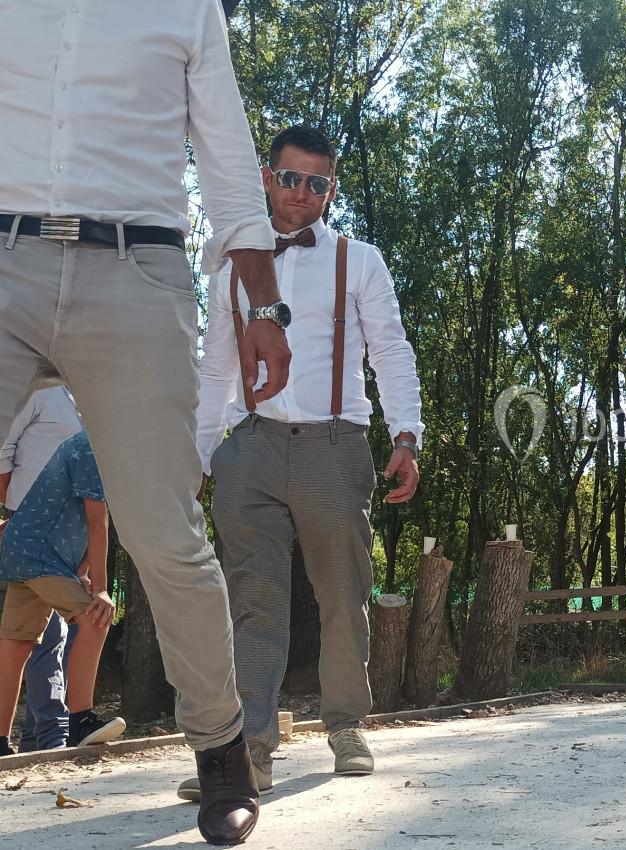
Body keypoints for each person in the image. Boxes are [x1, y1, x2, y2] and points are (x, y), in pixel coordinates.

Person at [0, 1, 293, 842]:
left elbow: (230, 158)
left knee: (164, 532)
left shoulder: (185, 7)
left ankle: (223, 755)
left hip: (135, 266)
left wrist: (262, 301)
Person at [179, 125, 423, 800]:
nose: (303, 193)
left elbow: (392, 351)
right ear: (266, 178)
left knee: (343, 595)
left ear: (330, 191)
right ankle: (249, 750)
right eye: (291, 178)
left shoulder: (359, 260)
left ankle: (344, 724)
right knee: (252, 602)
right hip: (251, 445)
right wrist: (201, 455)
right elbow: (216, 366)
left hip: (334, 446)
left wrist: (407, 436)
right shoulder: (232, 266)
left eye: (318, 183)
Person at [0, 432, 123, 755]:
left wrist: (81, 571)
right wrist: (100, 588)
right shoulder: (92, 446)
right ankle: (80, 720)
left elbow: (81, 520)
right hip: (40, 554)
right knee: (96, 617)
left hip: (24, 549)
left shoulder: (100, 447)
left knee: (17, 642)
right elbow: (98, 521)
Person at [0, 387, 84, 750]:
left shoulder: (86, 395)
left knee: (42, 634)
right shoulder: (36, 388)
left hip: (67, 531)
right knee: (47, 635)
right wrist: (18, 513)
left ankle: (37, 736)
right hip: (31, 528)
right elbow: (3, 450)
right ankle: (54, 733)